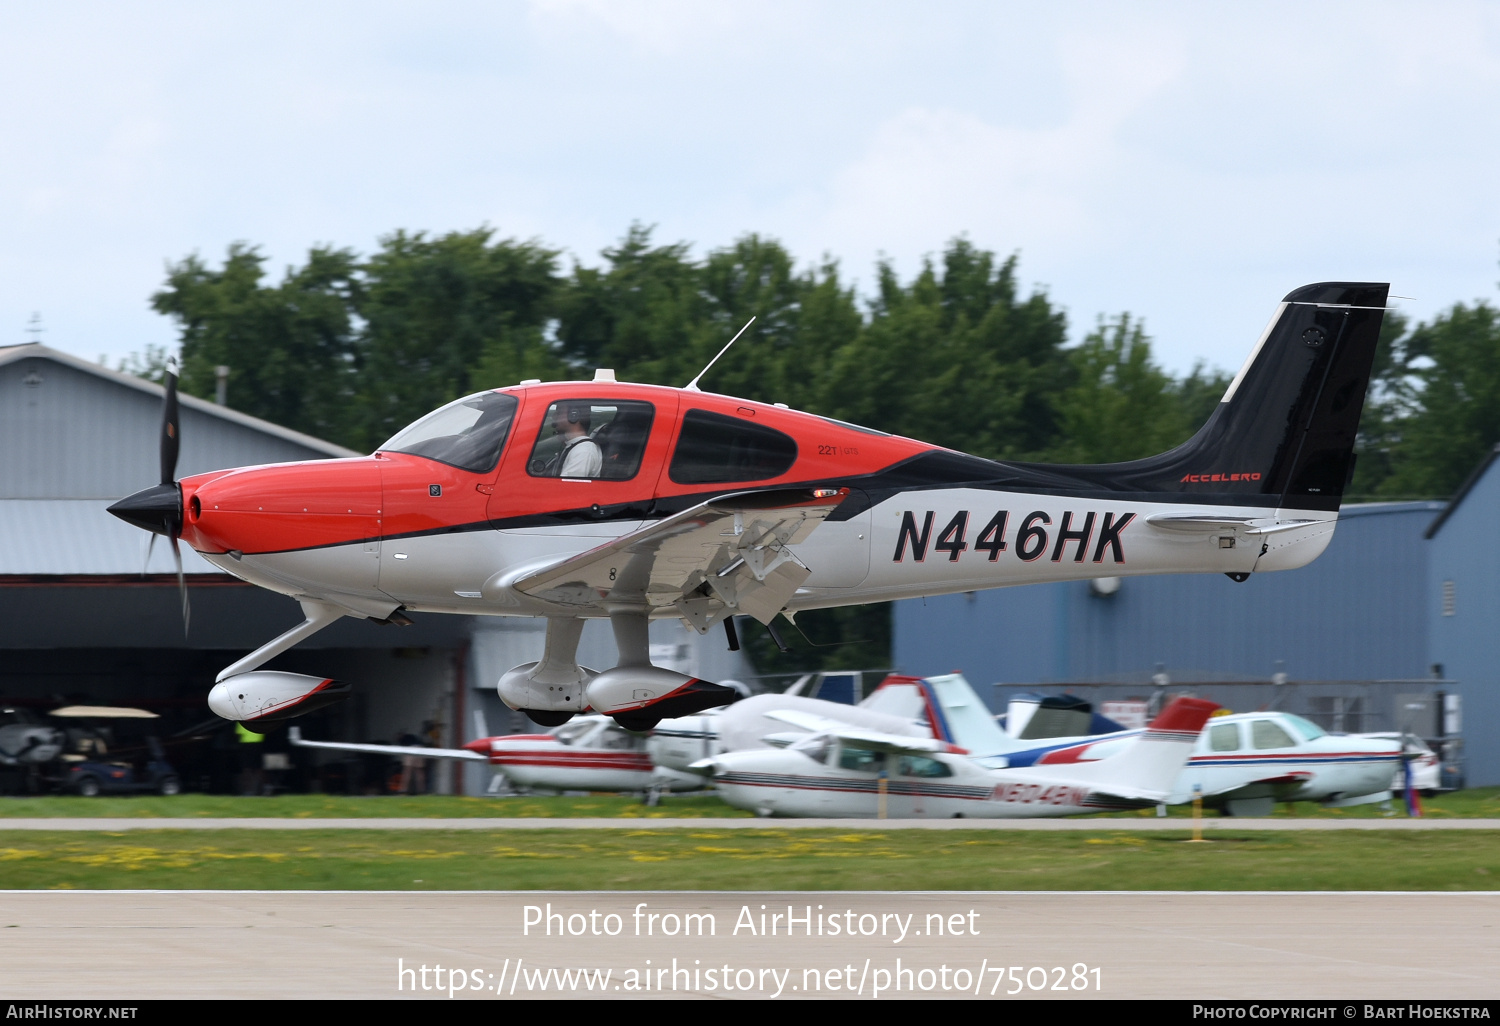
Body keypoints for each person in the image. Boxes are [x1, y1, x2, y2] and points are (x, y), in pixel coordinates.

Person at [543, 403, 602, 478]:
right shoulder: (575, 446)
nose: (554, 416)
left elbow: (568, 488)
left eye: (559, 412)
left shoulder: (583, 451)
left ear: (573, 415)